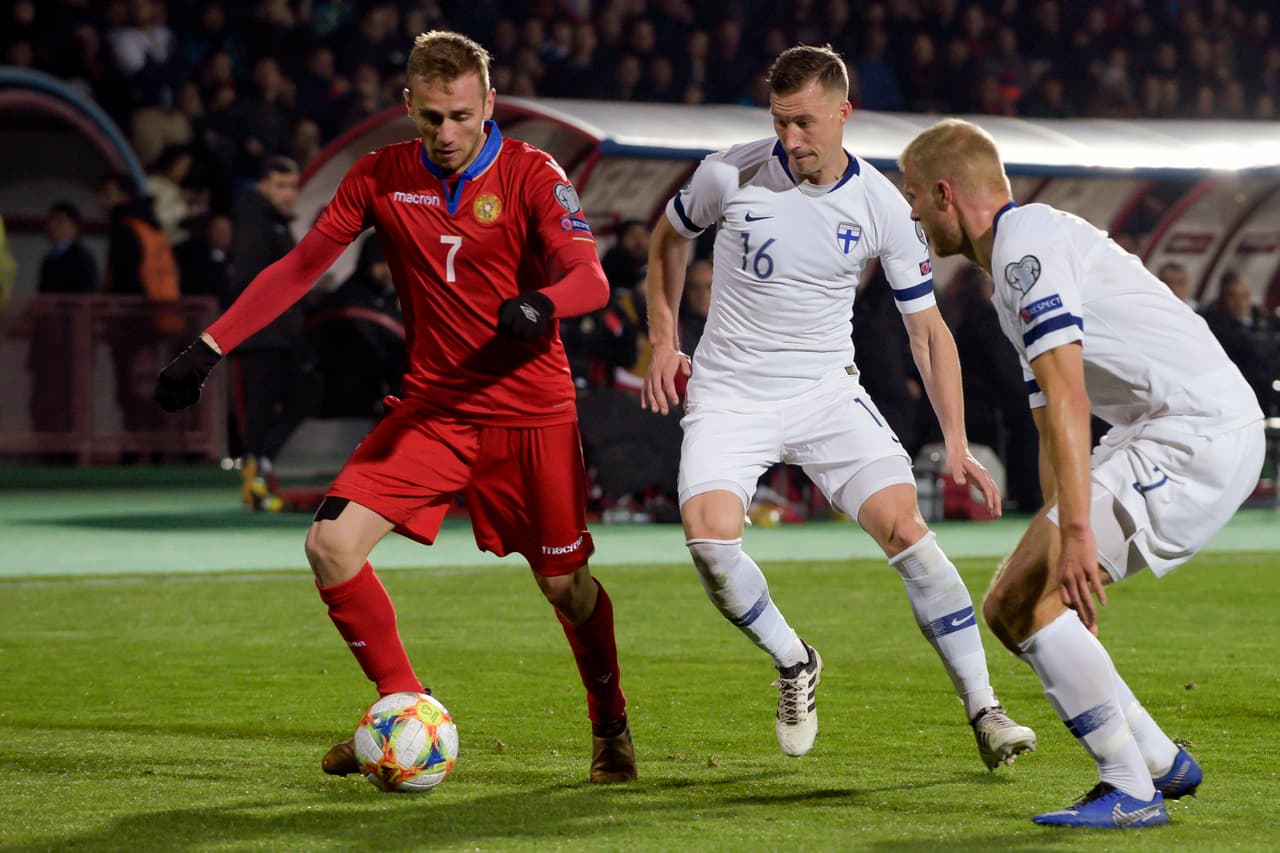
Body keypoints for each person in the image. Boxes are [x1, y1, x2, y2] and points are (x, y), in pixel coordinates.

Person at [155, 30, 636, 784]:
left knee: (564, 587)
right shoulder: (380, 174)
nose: (446, 133)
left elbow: (591, 280)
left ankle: (610, 724)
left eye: (461, 116)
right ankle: (403, 709)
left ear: (488, 105)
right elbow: (302, 266)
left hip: (530, 415)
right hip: (433, 410)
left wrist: (542, 302)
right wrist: (209, 348)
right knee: (330, 545)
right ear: (409, 105)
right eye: (432, 117)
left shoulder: (533, 173)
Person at [643, 44, 1035, 769]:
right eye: (779, 122)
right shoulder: (728, 172)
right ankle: (794, 660)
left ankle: (986, 710)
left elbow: (927, 330)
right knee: (709, 542)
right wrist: (665, 340)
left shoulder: (883, 205)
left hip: (826, 393)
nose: (791, 139)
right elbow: (668, 238)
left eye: (805, 123)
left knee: (907, 530)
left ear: (843, 114)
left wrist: (954, 440)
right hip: (730, 394)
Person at [899, 118, 1265, 828]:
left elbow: (1069, 397)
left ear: (945, 193)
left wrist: (1074, 535)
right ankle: (1159, 762)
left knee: (1021, 600)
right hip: (1168, 431)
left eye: (914, 195)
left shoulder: (1026, 248)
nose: (912, 212)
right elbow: (1049, 421)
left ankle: (1131, 787)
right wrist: (1056, 527)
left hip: (1193, 434)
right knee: (1015, 606)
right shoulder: (1018, 261)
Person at [227, 155, 316, 510]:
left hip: (276, 333)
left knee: (300, 398)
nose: (288, 194)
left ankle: (258, 468)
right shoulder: (255, 221)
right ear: (264, 186)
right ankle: (254, 484)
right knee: (263, 410)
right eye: (280, 186)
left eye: (292, 186)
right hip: (262, 334)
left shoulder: (273, 223)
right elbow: (256, 279)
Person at [31, 202, 100, 438]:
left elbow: (85, 298)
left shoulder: (81, 258)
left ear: (75, 226)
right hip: (49, 340)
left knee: (70, 396)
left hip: (71, 341)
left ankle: (70, 447)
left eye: (60, 221)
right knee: (47, 396)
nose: (54, 227)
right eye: (52, 221)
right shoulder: (49, 259)